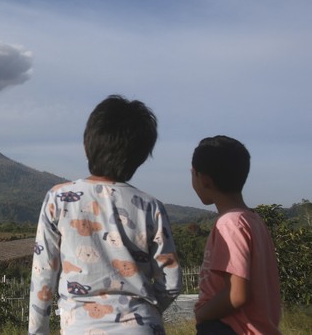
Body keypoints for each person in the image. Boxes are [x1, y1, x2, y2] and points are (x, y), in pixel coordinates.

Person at [29, 95, 182, 334]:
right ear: (141, 157)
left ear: (86, 145)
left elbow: (43, 276)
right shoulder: (151, 207)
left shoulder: (58, 199)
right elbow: (170, 282)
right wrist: (143, 313)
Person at [191, 136, 281, 334]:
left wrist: (202, 314)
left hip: (231, 328)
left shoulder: (230, 224)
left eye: (193, 174)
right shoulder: (252, 220)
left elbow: (237, 294)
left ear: (204, 180)